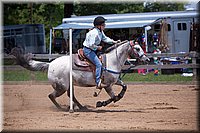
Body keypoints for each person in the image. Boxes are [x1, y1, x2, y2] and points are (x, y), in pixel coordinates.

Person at [83, 16, 120, 89]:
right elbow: (91, 44)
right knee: (99, 64)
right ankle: (98, 82)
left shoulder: (100, 31)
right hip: (88, 50)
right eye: (103, 25)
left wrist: (114, 42)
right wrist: (98, 47)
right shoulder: (94, 33)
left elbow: (105, 38)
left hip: (93, 50)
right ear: (98, 26)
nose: (105, 26)